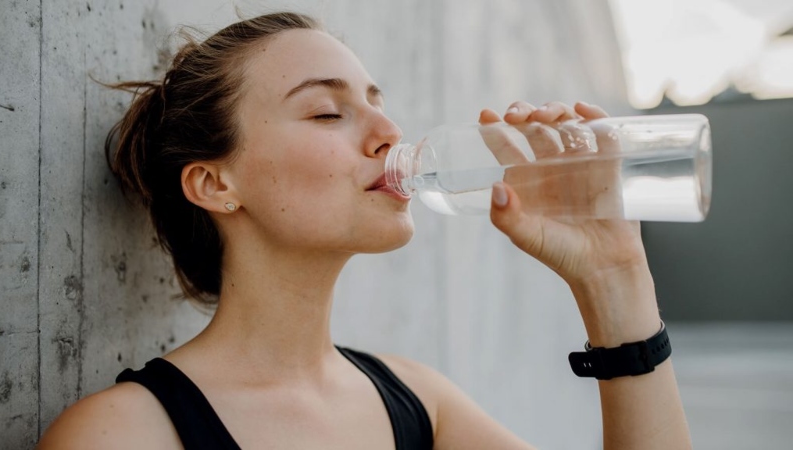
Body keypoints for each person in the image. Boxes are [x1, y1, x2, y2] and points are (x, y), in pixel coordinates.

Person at [37, 11, 692, 450]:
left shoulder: (418, 405)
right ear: (215, 185)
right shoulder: (123, 434)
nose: (389, 133)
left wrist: (615, 278)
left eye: (378, 104)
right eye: (327, 113)